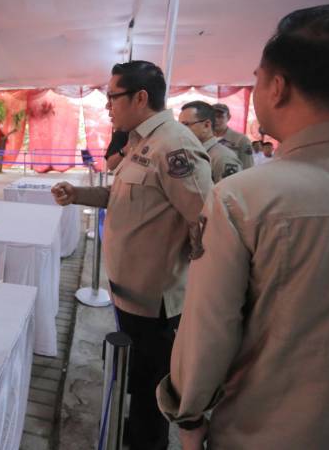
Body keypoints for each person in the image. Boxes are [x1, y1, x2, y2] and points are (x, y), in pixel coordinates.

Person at [157, 4, 329, 450]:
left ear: (277, 87)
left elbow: (208, 332)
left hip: (265, 429)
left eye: (258, 79)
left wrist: (188, 415)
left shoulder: (243, 199)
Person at [52, 61, 212, 450]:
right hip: (130, 295)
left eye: (113, 97)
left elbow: (207, 220)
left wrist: (195, 274)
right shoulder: (141, 141)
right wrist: (78, 194)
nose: (107, 106)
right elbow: (122, 197)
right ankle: (135, 431)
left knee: (151, 389)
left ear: (140, 98)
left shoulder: (173, 146)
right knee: (136, 381)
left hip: (156, 304)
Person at [179, 101, 242, 182]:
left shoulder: (223, 157)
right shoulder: (193, 152)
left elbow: (231, 189)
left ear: (206, 125)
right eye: (180, 126)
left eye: (186, 124)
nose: (181, 130)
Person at [212, 103, 254, 169]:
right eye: (212, 117)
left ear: (228, 117)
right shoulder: (203, 138)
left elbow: (248, 167)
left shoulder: (241, 140)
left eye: (220, 116)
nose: (216, 120)